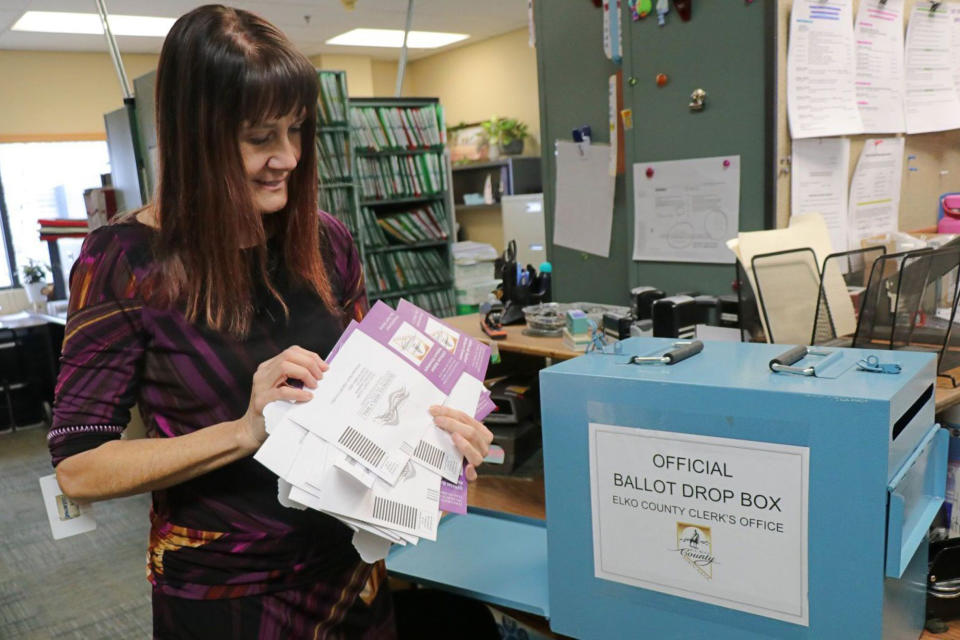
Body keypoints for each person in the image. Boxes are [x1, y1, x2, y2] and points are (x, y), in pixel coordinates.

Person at [48, 5, 493, 638]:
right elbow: (80, 467)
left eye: (297, 130)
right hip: (226, 596)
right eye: (261, 137)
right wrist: (244, 430)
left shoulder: (326, 243)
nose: (287, 156)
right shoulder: (124, 261)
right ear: (197, 135)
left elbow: (372, 405)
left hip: (352, 576)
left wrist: (441, 450)